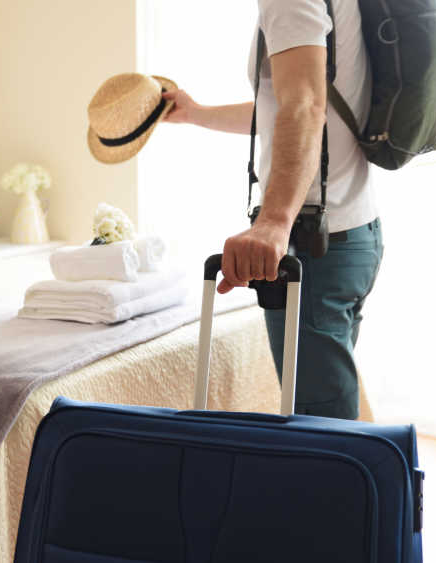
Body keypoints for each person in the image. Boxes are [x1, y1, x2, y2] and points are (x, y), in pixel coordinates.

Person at [162, 0, 381, 420]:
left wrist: (273, 224)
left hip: (314, 243)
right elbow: (291, 109)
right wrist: (197, 114)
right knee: (328, 419)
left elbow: (303, 107)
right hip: (353, 230)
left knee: (322, 436)